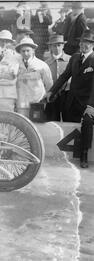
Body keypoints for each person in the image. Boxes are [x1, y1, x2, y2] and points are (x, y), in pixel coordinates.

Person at [46, 30, 94, 168]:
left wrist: (91, 106)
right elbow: (64, 77)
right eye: (83, 42)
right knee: (70, 127)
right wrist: (51, 91)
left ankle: (84, 155)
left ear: (92, 45)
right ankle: (66, 157)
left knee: (87, 124)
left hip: (88, 104)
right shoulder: (74, 57)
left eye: (88, 43)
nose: (84, 45)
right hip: (72, 101)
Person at [16, 37, 53, 112]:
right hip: (21, 103)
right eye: (23, 51)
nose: (25, 53)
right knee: (22, 122)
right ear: (20, 52)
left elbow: (49, 84)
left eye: (28, 50)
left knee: (36, 123)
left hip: (37, 102)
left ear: (33, 51)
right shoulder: (16, 65)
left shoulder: (41, 65)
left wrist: (44, 98)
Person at [44, 34, 71, 121]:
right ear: (50, 47)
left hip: (67, 94)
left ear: (63, 46)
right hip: (52, 95)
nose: (57, 48)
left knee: (68, 119)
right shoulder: (46, 63)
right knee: (52, 119)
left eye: (59, 45)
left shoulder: (70, 60)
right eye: (54, 45)